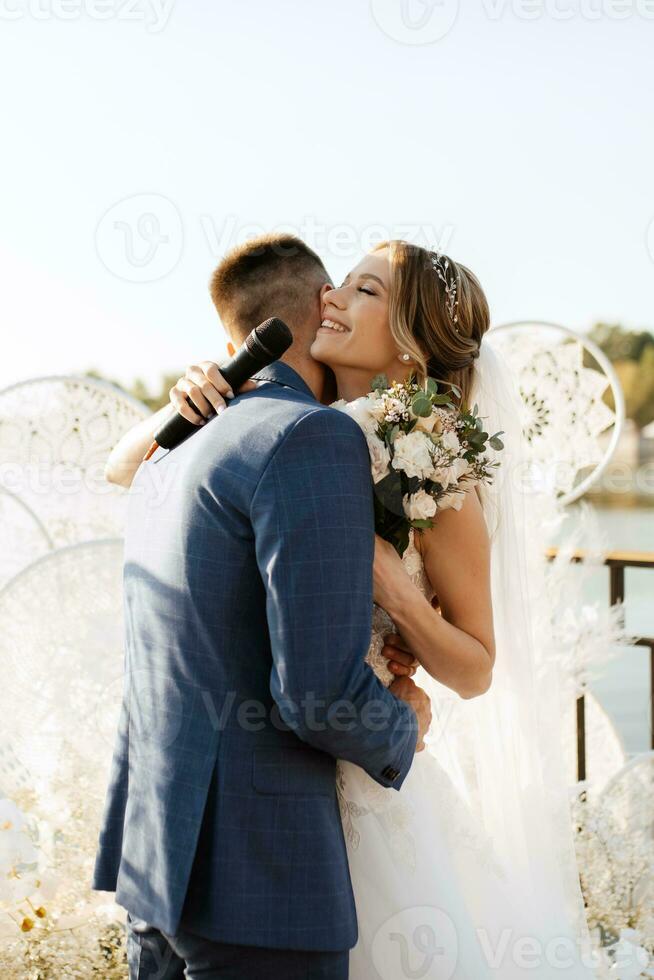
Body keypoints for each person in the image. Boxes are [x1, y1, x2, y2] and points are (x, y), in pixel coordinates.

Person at [103, 234, 598, 977]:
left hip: (350, 785)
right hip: (294, 785)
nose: (332, 298)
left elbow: (475, 669)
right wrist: (193, 395)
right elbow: (125, 467)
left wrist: (401, 599)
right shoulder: (286, 422)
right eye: (338, 285)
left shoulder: (436, 463)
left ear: (411, 340)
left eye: (363, 291)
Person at [92, 232, 432, 980]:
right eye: (340, 291)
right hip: (262, 879)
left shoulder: (170, 449)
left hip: (156, 865)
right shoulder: (313, 436)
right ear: (321, 307)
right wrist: (402, 725)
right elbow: (315, 694)